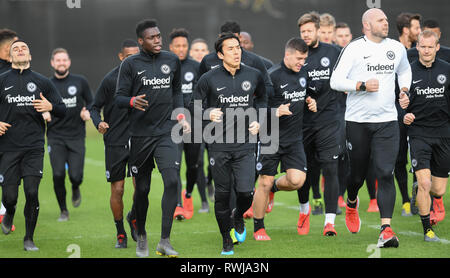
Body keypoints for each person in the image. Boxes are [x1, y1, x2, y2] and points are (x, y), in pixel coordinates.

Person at [330, 8, 412, 248]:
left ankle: (386, 229)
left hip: (387, 121)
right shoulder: (354, 48)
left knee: (385, 173)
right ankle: (352, 199)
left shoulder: (396, 48)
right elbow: (335, 81)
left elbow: (405, 70)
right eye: (380, 20)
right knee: (356, 175)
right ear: (366, 25)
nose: (386, 23)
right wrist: (362, 85)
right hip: (358, 122)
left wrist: (404, 90)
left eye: (386, 19)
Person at [115, 19, 190, 258]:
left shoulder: (171, 60)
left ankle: (165, 241)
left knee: (171, 181)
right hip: (140, 136)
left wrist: (180, 114)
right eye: (152, 37)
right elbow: (119, 98)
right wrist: (130, 101)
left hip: (167, 133)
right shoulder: (129, 64)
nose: (158, 40)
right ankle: (142, 235)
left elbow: (177, 90)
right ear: (141, 41)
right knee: (143, 190)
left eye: (159, 36)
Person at [192, 32, 267, 255]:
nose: (236, 52)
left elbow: (263, 98)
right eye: (231, 49)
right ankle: (226, 238)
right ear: (220, 54)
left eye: (238, 47)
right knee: (222, 195)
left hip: (245, 144)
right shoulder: (209, 78)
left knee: (246, 193)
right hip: (218, 145)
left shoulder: (254, 74)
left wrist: (260, 120)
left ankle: (237, 216)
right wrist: (207, 113)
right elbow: (193, 104)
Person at [0, 40, 66, 251]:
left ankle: (29, 238)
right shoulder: (1, 80)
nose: (20, 51)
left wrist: (50, 106)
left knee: (31, 192)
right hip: (7, 147)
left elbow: (62, 109)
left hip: (33, 147)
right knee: (9, 196)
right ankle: (9, 212)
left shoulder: (42, 82)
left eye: (24, 48)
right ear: (10, 57)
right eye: (15, 49)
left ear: (30, 56)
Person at [253, 37, 317, 240]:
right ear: (287, 54)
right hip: (270, 138)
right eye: (299, 58)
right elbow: (255, 109)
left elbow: (306, 95)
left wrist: (311, 102)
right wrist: (274, 111)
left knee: (297, 180)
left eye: (304, 59)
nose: (302, 63)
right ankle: (259, 228)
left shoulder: (303, 74)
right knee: (263, 182)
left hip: (294, 139)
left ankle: (274, 188)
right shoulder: (271, 77)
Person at [90, 39, 140, 248]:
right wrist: (98, 122)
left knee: (142, 187)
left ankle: (135, 217)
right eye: (129, 57)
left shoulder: (145, 79)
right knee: (118, 189)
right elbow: (94, 107)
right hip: (115, 141)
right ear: (121, 57)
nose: (133, 61)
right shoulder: (110, 80)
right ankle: (120, 233)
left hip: (139, 139)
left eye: (137, 56)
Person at [296, 11, 342, 234]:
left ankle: (329, 222)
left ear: (317, 30)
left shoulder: (334, 52)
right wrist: (305, 98)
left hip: (329, 121)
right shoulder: (296, 54)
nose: (305, 35)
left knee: (331, 168)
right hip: (304, 124)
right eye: (302, 31)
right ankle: (304, 211)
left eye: (309, 31)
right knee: (305, 172)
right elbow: (289, 83)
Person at [403, 30, 449, 241]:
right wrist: (404, 114)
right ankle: (427, 229)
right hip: (419, 133)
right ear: (417, 47)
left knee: (438, 189)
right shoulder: (407, 72)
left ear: (437, 47)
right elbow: (398, 102)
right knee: (425, 184)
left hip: (443, 134)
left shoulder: (447, 70)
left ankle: (423, 193)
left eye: (431, 47)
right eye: (423, 46)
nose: (427, 50)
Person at [46, 48, 93, 221]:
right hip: (55, 136)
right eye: (58, 60)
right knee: (58, 174)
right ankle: (63, 210)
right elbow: (37, 105)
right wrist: (43, 113)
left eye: (64, 60)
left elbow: (92, 101)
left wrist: (87, 111)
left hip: (76, 136)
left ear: (69, 62)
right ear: (52, 63)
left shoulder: (80, 81)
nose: (61, 63)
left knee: (76, 176)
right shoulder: (47, 84)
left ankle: (75, 186)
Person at [168, 28, 208, 220]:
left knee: (194, 165)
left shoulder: (197, 67)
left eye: (184, 45)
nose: (181, 49)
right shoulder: (164, 67)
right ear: (171, 47)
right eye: (178, 46)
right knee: (174, 166)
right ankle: (177, 205)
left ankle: (189, 194)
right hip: (174, 125)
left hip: (195, 125)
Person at [394, 13, 422, 217]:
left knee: (418, 155)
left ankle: (416, 196)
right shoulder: (394, 52)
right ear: (406, 30)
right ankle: (405, 200)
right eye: (416, 28)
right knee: (399, 157)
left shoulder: (420, 52)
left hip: (417, 113)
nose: (419, 31)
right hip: (396, 113)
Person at [0, 28, 18, 226]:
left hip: (12, 135)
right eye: (16, 44)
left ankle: (5, 212)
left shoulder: (16, 69)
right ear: (7, 48)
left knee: (9, 177)